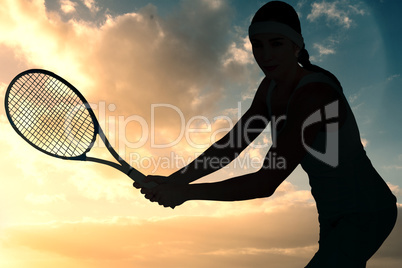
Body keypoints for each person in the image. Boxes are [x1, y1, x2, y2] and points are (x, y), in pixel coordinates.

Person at [134, 1, 397, 267]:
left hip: (367, 211)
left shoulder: (314, 95)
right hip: (331, 214)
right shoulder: (270, 87)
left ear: (296, 46)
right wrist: (174, 181)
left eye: (276, 43)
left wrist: (186, 193)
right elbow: (232, 145)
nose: (265, 55)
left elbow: (266, 182)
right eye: (257, 45)